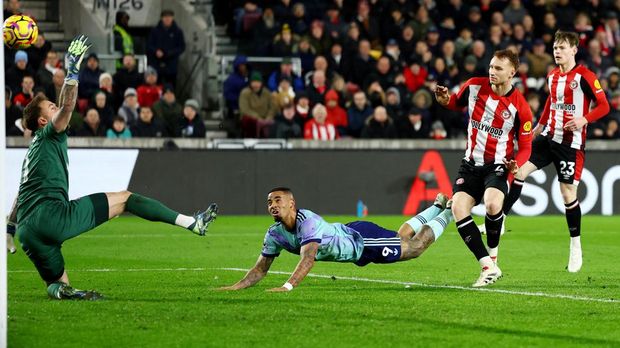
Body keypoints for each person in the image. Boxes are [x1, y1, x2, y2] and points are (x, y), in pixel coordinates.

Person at [11, 36, 218, 300]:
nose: (57, 107)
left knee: (57, 282)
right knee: (126, 199)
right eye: (50, 107)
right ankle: (192, 223)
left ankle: (63, 292)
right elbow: (67, 106)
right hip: (52, 217)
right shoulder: (51, 132)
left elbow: (21, 192)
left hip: (27, 232)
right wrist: (73, 71)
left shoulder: (33, 150)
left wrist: (9, 229)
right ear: (43, 120)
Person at [500, 31, 610, 273]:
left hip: (571, 144)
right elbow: (552, 102)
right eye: (555, 48)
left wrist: (584, 119)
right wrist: (539, 126)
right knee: (518, 171)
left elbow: (604, 106)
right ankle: (501, 219)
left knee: (567, 193)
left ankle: (575, 245)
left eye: (561, 47)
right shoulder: (552, 76)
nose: (557, 51)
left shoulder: (586, 77)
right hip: (549, 137)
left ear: (574, 50)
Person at [217, 188, 453, 291]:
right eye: (269, 202)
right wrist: (235, 286)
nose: (272, 205)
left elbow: (308, 258)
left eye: (277, 200)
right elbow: (261, 269)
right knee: (399, 237)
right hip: (352, 233)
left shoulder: (306, 220)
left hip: (362, 242)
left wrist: (287, 287)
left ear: (291, 203)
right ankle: (436, 206)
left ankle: (450, 211)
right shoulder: (274, 234)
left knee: (415, 247)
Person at [434, 49, 533, 287]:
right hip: (470, 164)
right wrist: (445, 100)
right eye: (491, 67)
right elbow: (456, 102)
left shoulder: (520, 106)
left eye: (498, 68)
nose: (492, 72)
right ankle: (487, 266)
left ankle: (494, 255)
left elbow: (526, 146)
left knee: (492, 203)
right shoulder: (474, 86)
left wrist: (516, 163)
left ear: (512, 73)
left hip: (498, 165)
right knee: (458, 207)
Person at [147, 9, 186, 85]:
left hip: (171, 66)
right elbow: (149, 45)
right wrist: (156, 51)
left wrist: (170, 53)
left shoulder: (178, 31)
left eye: (169, 17)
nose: (167, 19)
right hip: (156, 65)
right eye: (165, 17)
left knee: (171, 86)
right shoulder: (154, 31)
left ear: (172, 18)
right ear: (162, 18)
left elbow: (182, 47)